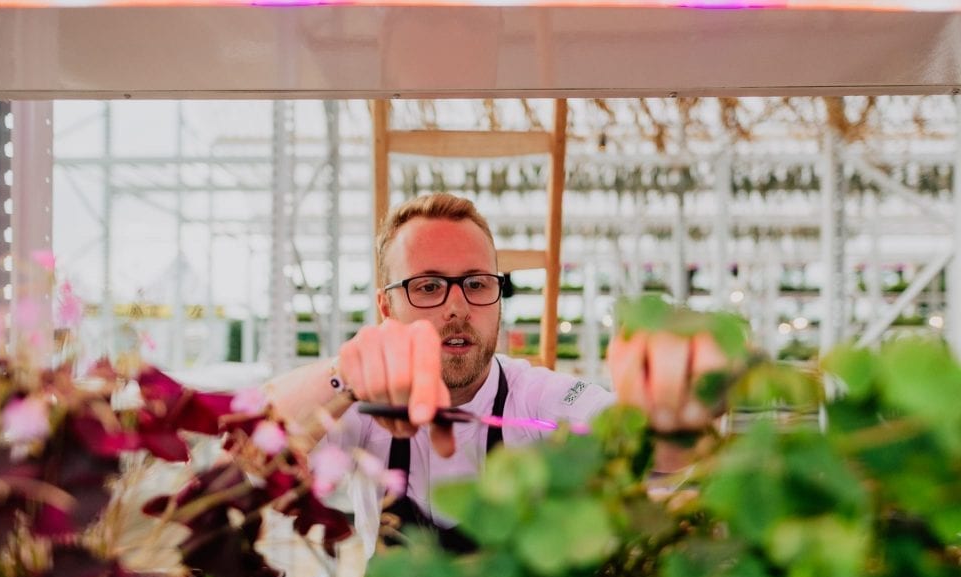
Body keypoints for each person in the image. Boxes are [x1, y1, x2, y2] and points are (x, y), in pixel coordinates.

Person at [266, 193, 726, 556]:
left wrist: (678, 397)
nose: (457, 306)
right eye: (427, 286)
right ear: (387, 307)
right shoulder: (361, 408)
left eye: (477, 283)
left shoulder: (539, 403)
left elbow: (659, 452)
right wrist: (342, 374)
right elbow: (251, 444)